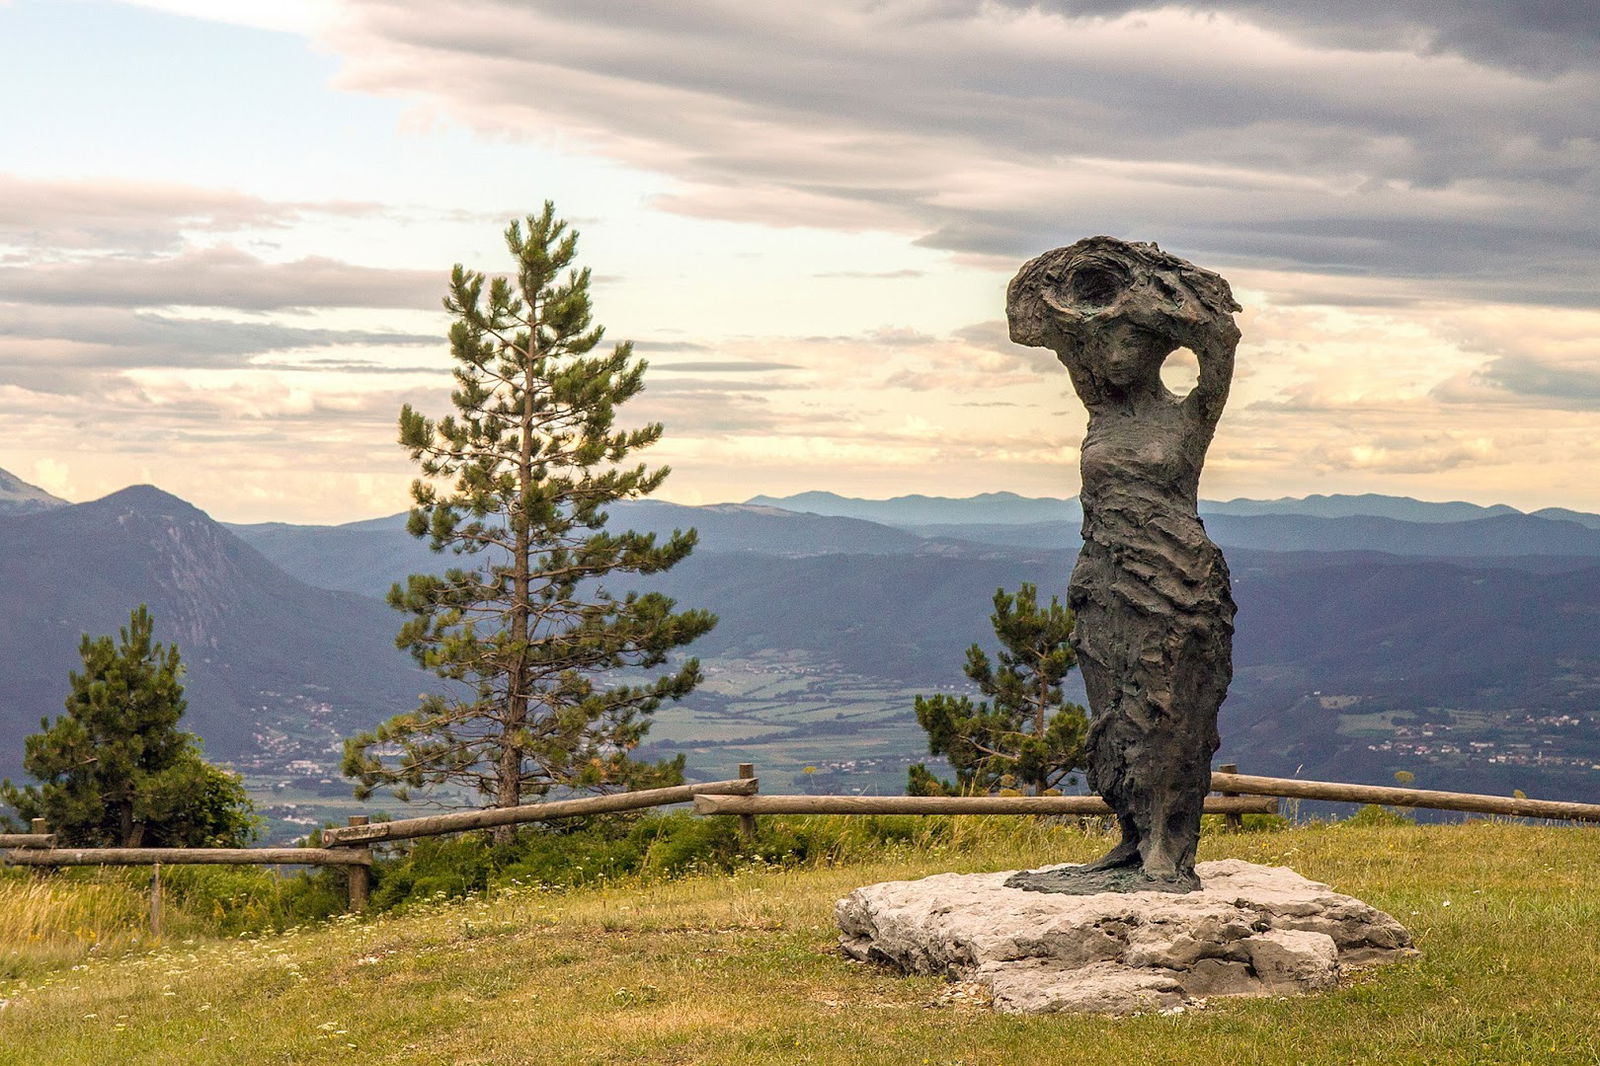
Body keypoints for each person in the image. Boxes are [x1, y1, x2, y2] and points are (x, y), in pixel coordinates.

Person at [1004, 236, 1242, 893]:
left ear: (1156, 349)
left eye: (1129, 345)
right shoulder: (1101, 410)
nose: (1111, 359)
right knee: (1114, 713)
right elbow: (1040, 319)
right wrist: (1087, 282)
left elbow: (1220, 340)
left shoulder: (1190, 416)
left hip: (1175, 576)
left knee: (1168, 708)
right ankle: (1131, 838)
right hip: (1104, 575)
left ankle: (1168, 844)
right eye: (1104, 348)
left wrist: (1159, 285)